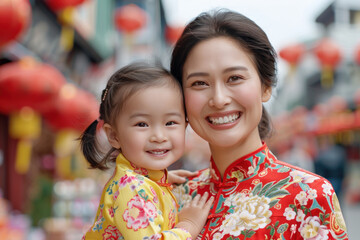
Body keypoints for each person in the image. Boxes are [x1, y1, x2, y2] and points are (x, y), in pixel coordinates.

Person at [170, 9, 348, 240]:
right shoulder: (171, 197)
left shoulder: (308, 196)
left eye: (234, 78)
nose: (219, 99)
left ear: (265, 87)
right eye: (199, 83)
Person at [80, 62, 214, 239]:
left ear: (185, 125)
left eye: (170, 123)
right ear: (114, 136)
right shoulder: (133, 187)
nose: (159, 136)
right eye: (142, 124)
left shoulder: (142, 182)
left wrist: (156, 179)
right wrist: (189, 226)